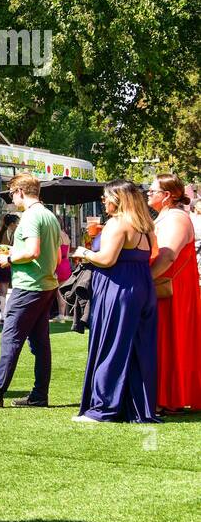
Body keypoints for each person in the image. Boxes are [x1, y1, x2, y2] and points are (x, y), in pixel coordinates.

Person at [0, 174, 61, 408]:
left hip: (28, 286)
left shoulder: (29, 217)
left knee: (10, 340)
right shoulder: (50, 216)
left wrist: (9, 258)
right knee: (40, 343)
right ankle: (39, 395)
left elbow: (32, 250)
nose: (11, 198)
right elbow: (56, 256)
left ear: (19, 191)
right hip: (46, 285)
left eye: (11, 193)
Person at [71, 181, 159, 423]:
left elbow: (107, 259)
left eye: (105, 197)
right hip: (142, 286)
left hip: (118, 288)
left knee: (111, 344)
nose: (103, 201)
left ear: (118, 199)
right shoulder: (145, 225)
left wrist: (84, 252)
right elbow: (154, 254)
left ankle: (103, 408)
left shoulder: (117, 223)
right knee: (137, 348)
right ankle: (134, 407)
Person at [148, 174, 201, 413]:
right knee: (163, 340)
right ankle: (164, 397)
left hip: (173, 288)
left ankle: (169, 398)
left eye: (152, 191)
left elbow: (168, 255)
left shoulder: (177, 218)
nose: (148, 194)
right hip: (167, 286)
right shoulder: (166, 217)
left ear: (167, 195)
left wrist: (145, 280)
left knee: (170, 339)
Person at [0, 214, 19, 320]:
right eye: (17, 223)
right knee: (7, 289)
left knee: (3, 290)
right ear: (12, 224)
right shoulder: (13, 235)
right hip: (7, 263)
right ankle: (4, 313)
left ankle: (2, 312)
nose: (18, 225)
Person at [54, 225, 73, 320]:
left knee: (58, 293)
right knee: (63, 292)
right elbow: (68, 253)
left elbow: (56, 254)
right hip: (66, 264)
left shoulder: (56, 236)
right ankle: (63, 314)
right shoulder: (66, 236)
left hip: (59, 264)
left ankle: (61, 315)